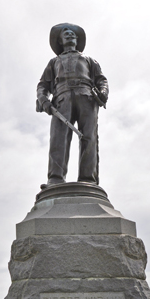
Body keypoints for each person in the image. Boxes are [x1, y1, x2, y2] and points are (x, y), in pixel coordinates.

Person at [36, 23, 109, 187]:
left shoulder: (89, 60)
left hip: (87, 97)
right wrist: (43, 99)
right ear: (60, 41)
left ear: (77, 40)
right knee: (58, 138)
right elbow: (43, 85)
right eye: (66, 35)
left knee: (88, 137)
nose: (70, 36)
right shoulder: (54, 62)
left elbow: (101, 80)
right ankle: (55, 178)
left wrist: (103, 92)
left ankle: (88, 178)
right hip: (62, 99)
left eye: (73, 35)